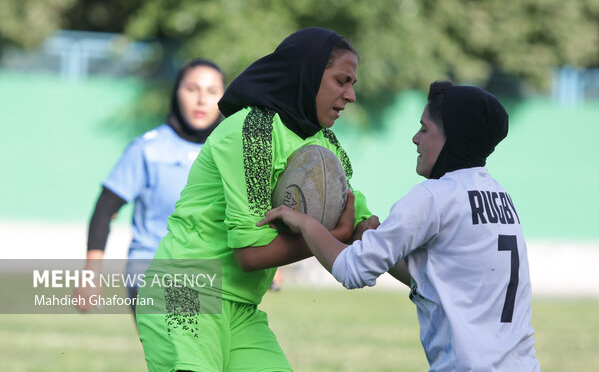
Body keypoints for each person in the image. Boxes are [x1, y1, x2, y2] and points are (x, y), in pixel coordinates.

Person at [136, 27, 378, 372]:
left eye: (353, 83)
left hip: (241, 308)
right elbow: (250, 255)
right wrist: (331, 237)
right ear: (307, 74)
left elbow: (360, 223)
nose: (351, 95)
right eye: (342, 80)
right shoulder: (251, 132)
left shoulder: (325, 143)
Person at [259, 81, 540, 371]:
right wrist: (375, 243)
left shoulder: (433, 196)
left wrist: (305, 222)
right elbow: (440, 281)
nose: (415, 139)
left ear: (452, 138)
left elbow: (351, 270)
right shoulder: (499, 195)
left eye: (425, 129)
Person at [74, 59, 226, 315]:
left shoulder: (229, 151)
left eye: (211, 92)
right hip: (152, 270)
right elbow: (104, 209)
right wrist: (91, 274)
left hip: (213, 274)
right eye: (192, 89)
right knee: (189, 344)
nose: (201, 100)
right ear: (176, 92)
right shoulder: (148, 149)